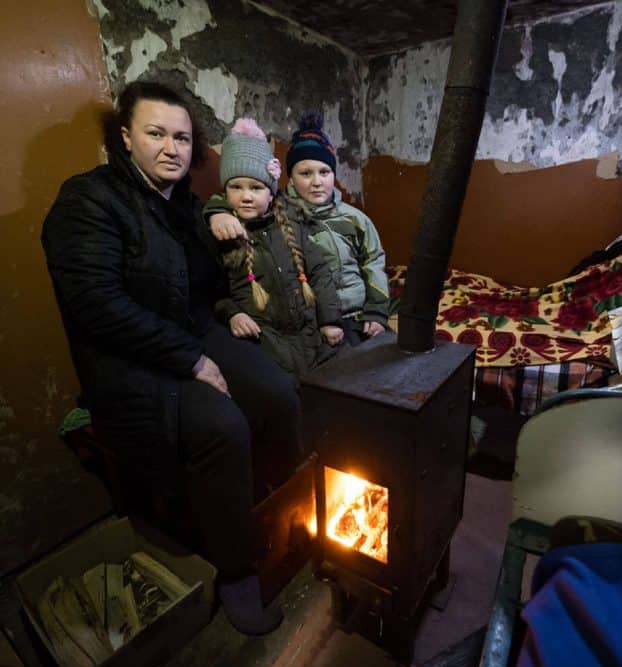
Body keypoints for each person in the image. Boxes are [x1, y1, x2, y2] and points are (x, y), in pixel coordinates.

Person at [41, 81, 294, 636]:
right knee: (221, 426)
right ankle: (235, 568)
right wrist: (194, 362)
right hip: (126, 360)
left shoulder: (185, 207)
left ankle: (269, 508)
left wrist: (226, 305)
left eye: (181, 137)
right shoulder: (88, 200)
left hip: (190, 332)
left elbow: (205, 286)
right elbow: (96, 305)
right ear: (126, 137)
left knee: (278, 392)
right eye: (155, 133)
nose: (171, 148)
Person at [210, 112, 389, 346]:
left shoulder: (355, 219)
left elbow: (373, 262)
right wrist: (217, 212)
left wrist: (376, 312)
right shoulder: (282, 214)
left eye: (324, 172)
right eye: (305, 173)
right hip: (312, 320)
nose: (316, 182)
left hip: (356, 314)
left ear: (334, 175)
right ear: (290, 178)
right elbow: (241, 198)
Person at [208, 118, 345, 376]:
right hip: (264, 342)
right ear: (224, 192)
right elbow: (213, 291)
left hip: (310, 334)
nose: (246, 196)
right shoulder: (223, 234)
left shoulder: (291, 225)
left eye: (256, 187)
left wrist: (330, 320)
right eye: (236, 187)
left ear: (271, 193)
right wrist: (232, 315)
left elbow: (319, 272)